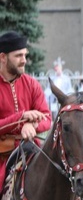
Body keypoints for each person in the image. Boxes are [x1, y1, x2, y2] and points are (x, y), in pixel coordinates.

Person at [0, 31, 52, 184]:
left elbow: (47, 118)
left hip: (31, 151)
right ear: (3, 57)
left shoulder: (32, 84)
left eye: (24, 55)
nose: (24, 60)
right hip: (2, 155)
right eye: (18, 56)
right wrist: (21, 118)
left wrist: (32, 125)